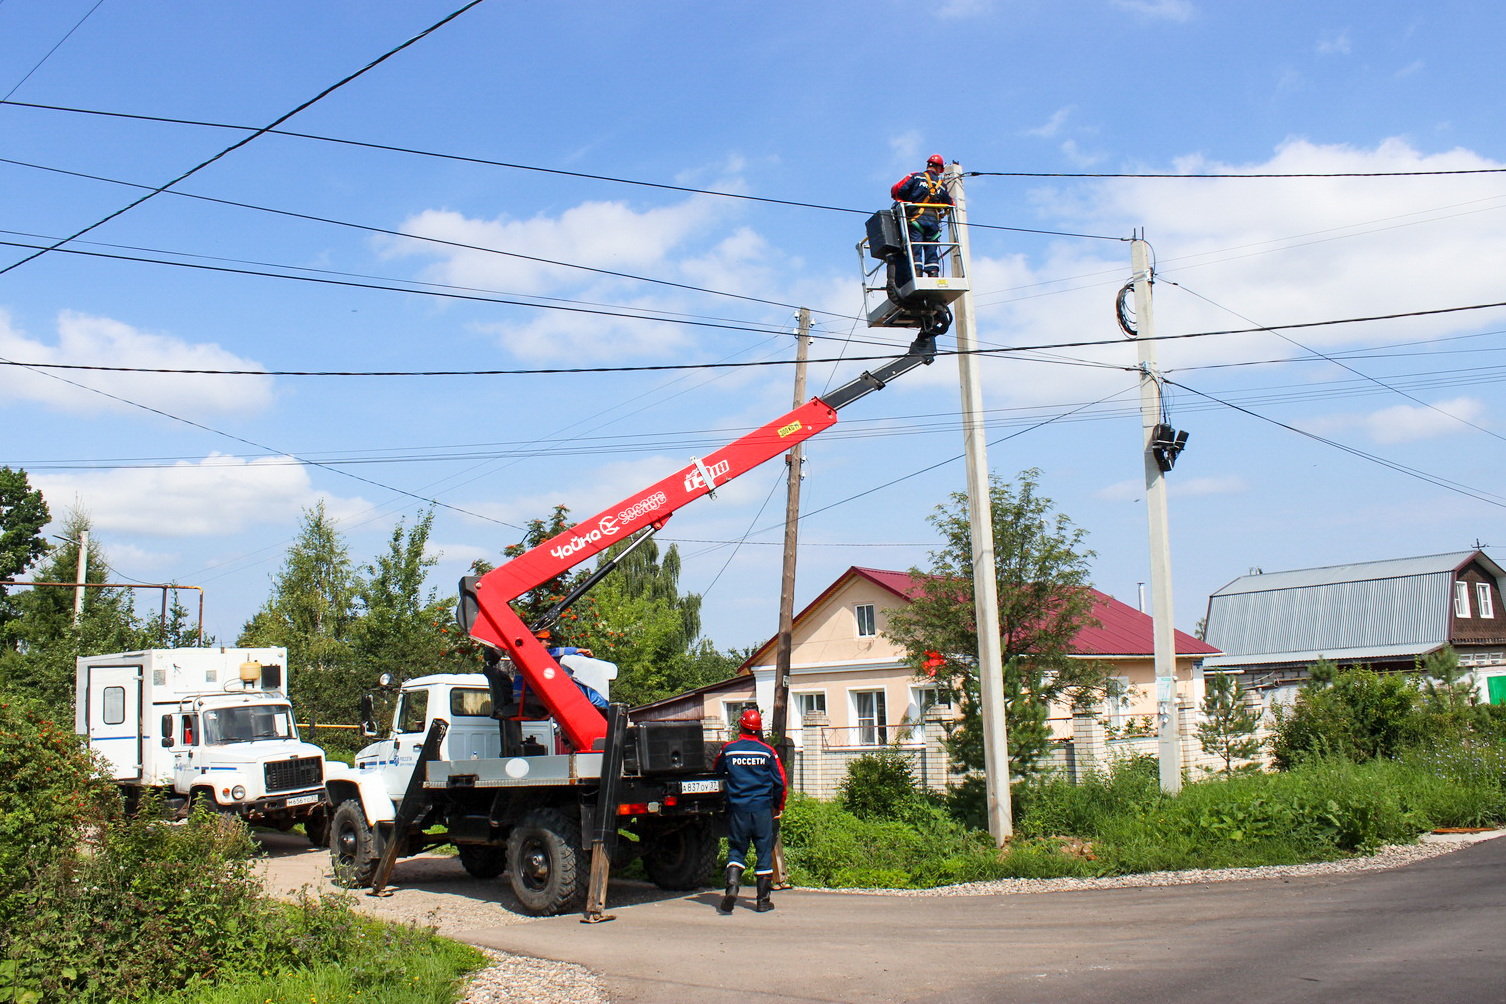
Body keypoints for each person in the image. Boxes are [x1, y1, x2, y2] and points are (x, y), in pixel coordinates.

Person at [713, 707, 787, 913]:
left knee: (736, 849)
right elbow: (780, 782)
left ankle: (732, 887)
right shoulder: (768, 752)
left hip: (738, 809)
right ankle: (763, 901)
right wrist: (777, 806)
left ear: (741, 727)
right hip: (762, 809)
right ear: (759, 729)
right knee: (763, 851)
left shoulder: (729, 749)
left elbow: (716, 771)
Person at [893, 154, 953, 277]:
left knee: (916, 246)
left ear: (928, 165)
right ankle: (933, 273)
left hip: (916, 219)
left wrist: (910, 200)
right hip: (933, 222)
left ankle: (917, 273)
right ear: (940, 169)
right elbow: (950, 203)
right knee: (931, 248)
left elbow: (899, 191)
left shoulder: (916, 177)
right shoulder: (942, 185)